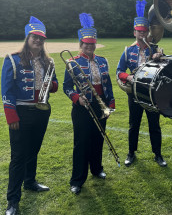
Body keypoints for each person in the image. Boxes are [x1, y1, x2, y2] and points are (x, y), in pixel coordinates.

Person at [1, 16, 58, 215]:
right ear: (28, 37)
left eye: (41, 38)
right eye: (35, 37)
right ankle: (13, 201)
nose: (38, 41)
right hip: (21, 113)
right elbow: (6, 91)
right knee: (18, 157)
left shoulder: (48, 62)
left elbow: (55, 86)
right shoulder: (12, 59)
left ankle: (30, 181)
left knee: (33, 151)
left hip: (41, 112)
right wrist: (11, 116)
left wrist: (49, 85)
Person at [63, 13, 115, 195]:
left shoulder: (102, 61)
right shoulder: (72, 62)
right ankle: (77, 179)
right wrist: (77, 98)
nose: (90, 46)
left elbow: (107, 84)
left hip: (101, 105)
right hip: (82, 108)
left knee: (98, 138)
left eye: (92, 43)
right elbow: (66, 87)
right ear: (81, 44)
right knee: (81, 143)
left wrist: (111, 103)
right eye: (86, 43)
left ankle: (96, 168)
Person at [116, 0, 166, 167]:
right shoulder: (127, 51)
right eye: (139, 32)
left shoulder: (155, 49)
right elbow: (119, 71)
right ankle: (131, 153)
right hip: (135, 93)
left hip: (153, 93)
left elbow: (162, 69)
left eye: (145, 32)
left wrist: (160, 58)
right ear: (134, 33)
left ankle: (158, 154)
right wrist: (129, 78)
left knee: (154, 125)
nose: (142, 35)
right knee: (133, 124)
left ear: (147, 32)